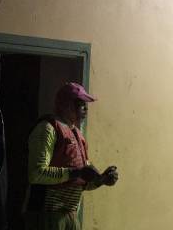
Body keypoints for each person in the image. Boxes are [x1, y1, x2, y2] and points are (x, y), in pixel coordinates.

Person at [24, 82, 119, 230]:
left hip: (70, 216)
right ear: (67, 105)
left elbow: (81, 182)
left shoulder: (77, 135)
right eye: (81, 104)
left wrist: (101, 180)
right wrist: (77, 172)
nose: (86, 109)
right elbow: (36, 174)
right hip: (47, 214)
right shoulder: (47, 129)